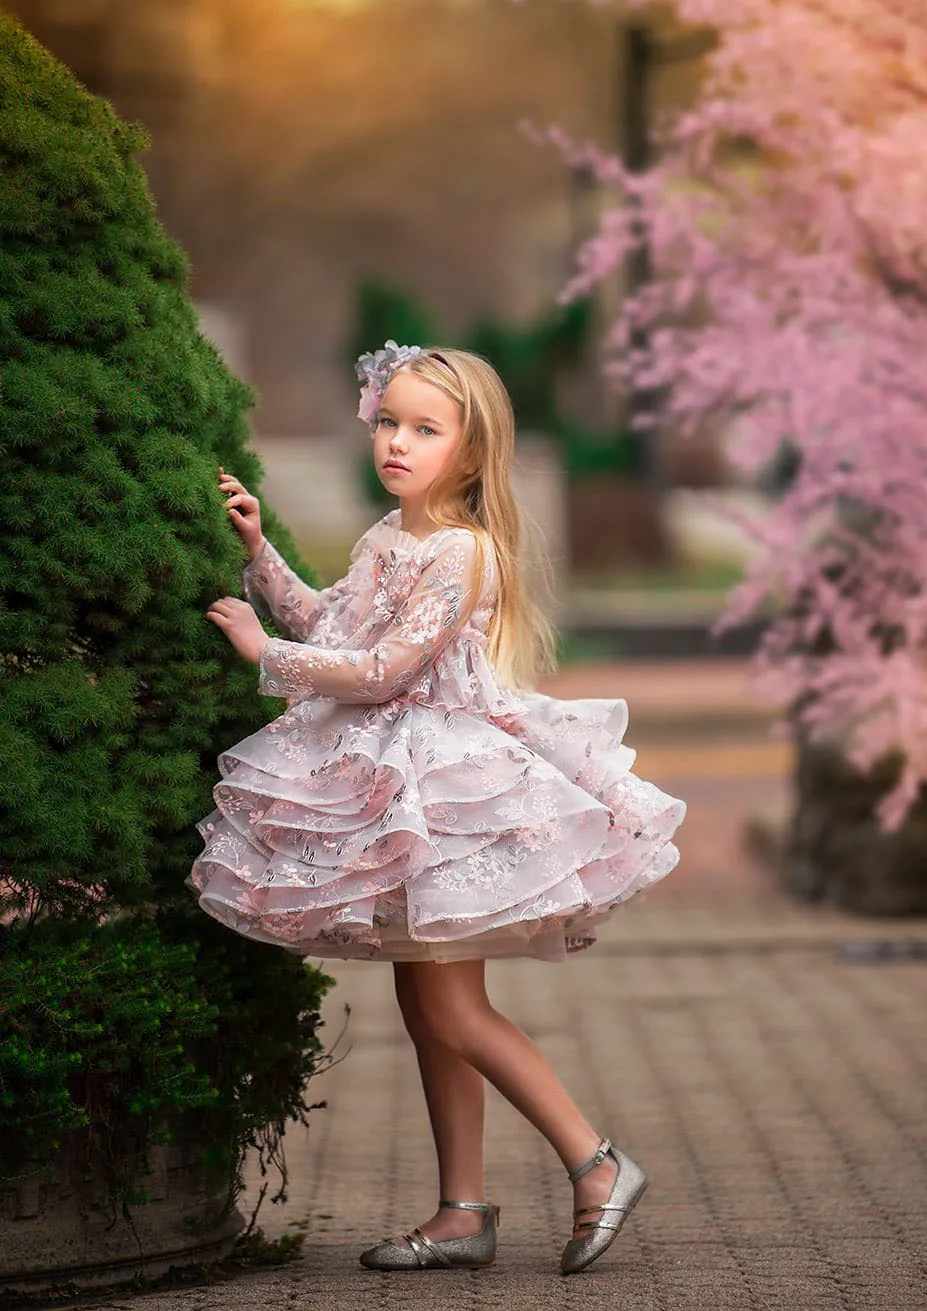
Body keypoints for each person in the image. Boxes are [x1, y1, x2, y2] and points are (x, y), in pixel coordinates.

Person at [187, 342, 687, 1275]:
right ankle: (462, 1211)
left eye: (425, 428)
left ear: (469, 450)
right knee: (430, 1005)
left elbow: (382, 673)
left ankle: (596, 1160)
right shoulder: (390, 537)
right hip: (396, 780)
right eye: (388, 422)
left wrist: (261, 653)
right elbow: (335, 626)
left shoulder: (462, 551)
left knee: (452, 1010)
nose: (398, 442)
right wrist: (260, 556)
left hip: (438, 783)